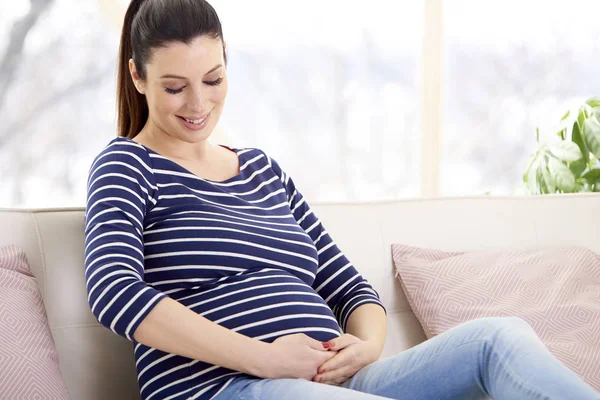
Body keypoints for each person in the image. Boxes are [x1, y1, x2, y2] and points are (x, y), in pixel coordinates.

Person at [83, 0, 600, 399]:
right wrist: (264, 359)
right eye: (175, 87)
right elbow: (114, 293)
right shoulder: (127, 166)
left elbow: (351, 288)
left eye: (213, 79)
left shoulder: (261, 168)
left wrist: (367, 347)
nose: (199, 103)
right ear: (137, 76)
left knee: (499, 339)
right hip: (225, 388)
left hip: (334, 383)